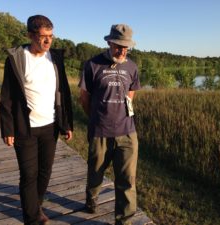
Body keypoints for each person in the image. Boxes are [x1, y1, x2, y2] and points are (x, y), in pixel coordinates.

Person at [0, 15, 73, 225]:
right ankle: (32, 219)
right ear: (30, 35)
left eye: (50, 36)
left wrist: (66, 123)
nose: (48, 41)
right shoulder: (16, 59)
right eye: (42, 37)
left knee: (44, 172)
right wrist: (8, 129)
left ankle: (35, 205)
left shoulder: (55, 58)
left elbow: (63, 92)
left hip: (50, 127)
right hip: (25, 127)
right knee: (28, 174)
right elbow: (7, 97)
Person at [78, 24, 140, 225]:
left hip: (127, 132)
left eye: (126, 47)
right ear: (109, 42)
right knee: (95, 172)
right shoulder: (93, 65)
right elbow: (84, 98)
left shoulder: (132, 66)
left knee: (127, 180)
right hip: (100, 131)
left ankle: (124, 221)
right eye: (118, 46)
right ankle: (92, 198)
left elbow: (131, 94)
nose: (122, 51)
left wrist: (122, 115)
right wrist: (97, 118)